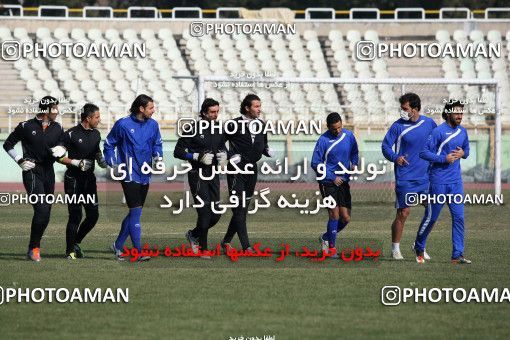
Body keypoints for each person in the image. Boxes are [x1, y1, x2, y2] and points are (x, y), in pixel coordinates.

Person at [3, 96, 65, 261]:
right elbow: (7, 144)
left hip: (48, 172)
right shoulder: (25, 126)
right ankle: (34, 249)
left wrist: (62, 149)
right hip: (31, 171)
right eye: (54, 108)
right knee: (42, 209)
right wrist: (19, 160)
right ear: (46, 110)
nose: (57, 111)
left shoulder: (58, 127)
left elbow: (63, 145)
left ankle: (33, 247)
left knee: (46, 213)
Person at [104, 94, 163, 261]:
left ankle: (118, 245)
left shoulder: (153, 125)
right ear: (141, 108)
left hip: (145, 173)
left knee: (134, 213)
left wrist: (158, 157)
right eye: (151, 108)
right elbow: (109, 144)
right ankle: (138, 252)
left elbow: (157, 144)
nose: (154, 110)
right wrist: (113, 164)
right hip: (128, 173)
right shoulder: (123, 124)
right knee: (136, 213)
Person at [414, 100, 471, 264]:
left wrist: (463, 153)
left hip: (456, 183)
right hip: (438, 180)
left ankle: (457, 254)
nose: (459, 116)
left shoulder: (463, 132)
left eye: (461, 113)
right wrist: (443, 159)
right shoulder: (438, 132)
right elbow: (423, 153)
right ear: (448, 114)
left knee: (459, 217)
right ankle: (419, 246)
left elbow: (466, 150)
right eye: (456, 113)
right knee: (432, 218)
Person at [381, 93, 437, 260]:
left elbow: (438, 143)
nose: (402, 112)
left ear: (415, 109)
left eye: (405, 109)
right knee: (403, 213)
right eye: (401, 108)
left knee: (432, 211)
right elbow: (385, 146)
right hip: (406, 177)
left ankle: (419, 245)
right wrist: (395, 157)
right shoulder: (398, 126)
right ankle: (395, 249)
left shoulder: (430, 124)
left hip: (427, 178)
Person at [174, 98, 229, 258]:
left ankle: (193, 234)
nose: (215, 115)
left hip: (214, 175)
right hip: (197, 175)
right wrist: (196, 156)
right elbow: (177, 151)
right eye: (212, 112)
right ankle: (204, 249)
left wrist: (224, 156)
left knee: (216, 213)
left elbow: (222, 148)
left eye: (217, 111)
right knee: (204, 213)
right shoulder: (192, 128)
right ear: (204, 112)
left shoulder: (219, 129)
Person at [220, 94, 273, 252]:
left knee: (241, 209)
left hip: (252, 170)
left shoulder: (262, 125)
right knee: (240, 207)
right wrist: (230, 156)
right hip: (236, 170)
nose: (259, 109)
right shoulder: (233, 124)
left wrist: (267, 151)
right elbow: (219, 145)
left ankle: (226, 241)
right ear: (247, 108)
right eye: (256, 106)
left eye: (259, 106)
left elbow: (263, 145)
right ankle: (246, 247)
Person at [55, 103, 107, 259]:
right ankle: (69, 251)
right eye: (97, 117)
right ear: (88, 118)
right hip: (73, 180)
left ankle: (76, 242)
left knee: (93, 216)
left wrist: (101, 160)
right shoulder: (70, 134)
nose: (99, 119)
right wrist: (76, 162)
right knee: (75, 216)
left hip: (89, 181)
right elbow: (58, 157)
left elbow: (97, 150)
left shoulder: (96, 134)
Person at [311, 112, 359, 258]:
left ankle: (326, 237)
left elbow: (354, 152)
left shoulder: (349, 136)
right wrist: (332, 177)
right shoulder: (323, 140)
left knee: (346, 218)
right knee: (334, 214)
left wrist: (354, 163)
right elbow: (315, 163)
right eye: (334, 129)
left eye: (339, 127)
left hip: (344, 181)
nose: (337, 131)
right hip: (327, 182)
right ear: (328, 127)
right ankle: (332, 249)